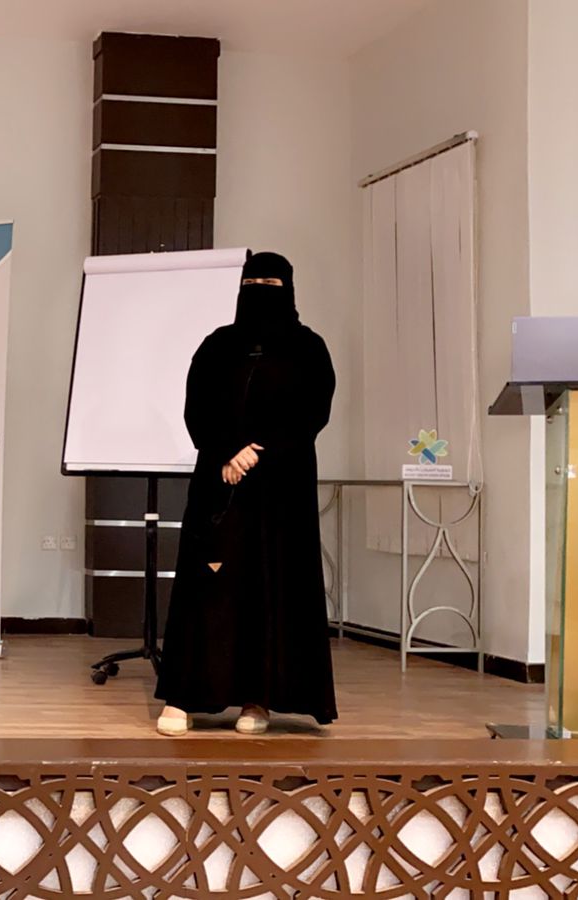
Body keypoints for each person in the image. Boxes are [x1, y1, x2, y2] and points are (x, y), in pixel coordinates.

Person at [153, 251, 337, 736]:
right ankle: (184, 696)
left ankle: (259, 699)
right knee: (209, 584)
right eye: (252, 283)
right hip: (220, 484)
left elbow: (313, 412)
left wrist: (261, 451)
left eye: (270, 284)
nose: (260, 292)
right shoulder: (217, 345)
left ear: (289, 289)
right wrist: (227, 452)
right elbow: (196, 407)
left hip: (282, 489)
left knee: (270, 587)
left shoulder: (309, 348)